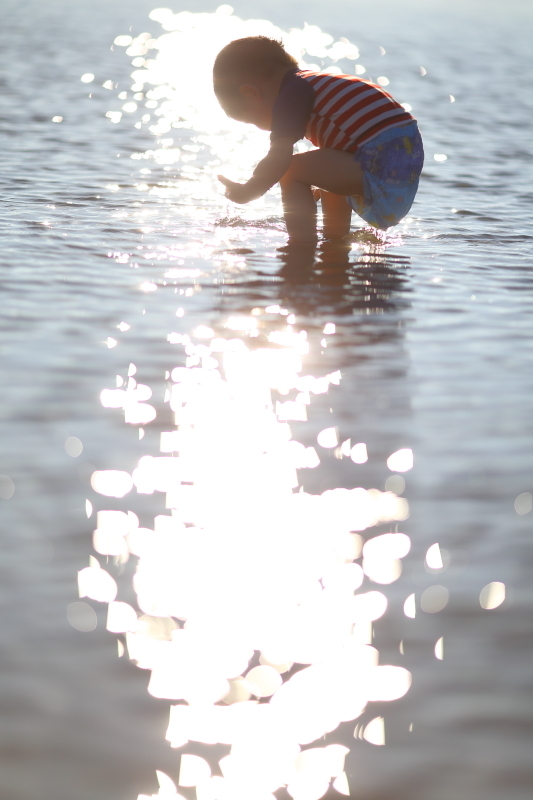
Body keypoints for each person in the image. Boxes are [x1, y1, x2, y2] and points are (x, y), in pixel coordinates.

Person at [213, 36, 424, 243]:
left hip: (380, 156)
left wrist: (249, 190)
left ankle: (300, 244)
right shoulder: (312, 82)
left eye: (251, 120)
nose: (260, 128)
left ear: (251, 93)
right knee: (323, 167)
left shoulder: (291, 94)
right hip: (403, 155)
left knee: (290, 170)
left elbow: (280, 156)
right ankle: (335, 243)